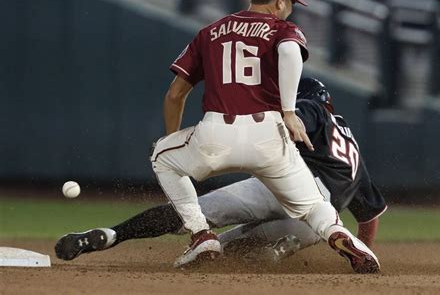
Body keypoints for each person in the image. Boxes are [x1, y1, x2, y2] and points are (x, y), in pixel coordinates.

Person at [55, 78, 385, 272]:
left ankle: (111, 235)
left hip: (286, 186)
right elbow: (370, 215)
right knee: (246, 249)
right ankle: (293, 246)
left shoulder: (311, 110)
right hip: (320, 216)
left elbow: (294, 117)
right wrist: (360, 246)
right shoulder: (351, 146)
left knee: (196, 213)